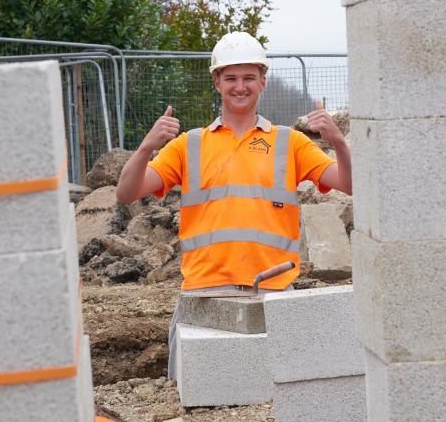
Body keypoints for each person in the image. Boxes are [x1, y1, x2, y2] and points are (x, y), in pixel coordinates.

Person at [116, 31, 352, 378]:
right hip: (205, 289)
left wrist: (339, 143)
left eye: (248, 78)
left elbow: (349, 184)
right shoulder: (188, 146)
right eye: (231, 78)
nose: (239, 86)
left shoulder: (290, 143)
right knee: (198, 395)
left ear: (262, 82)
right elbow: (126, 192)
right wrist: (145, 148)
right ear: (217, 82)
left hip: (272, 290)